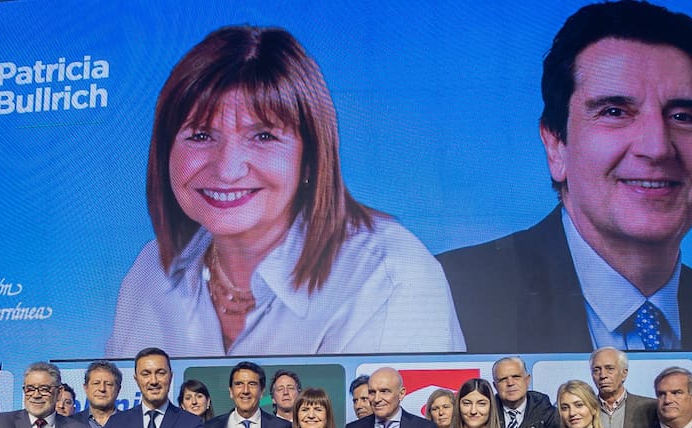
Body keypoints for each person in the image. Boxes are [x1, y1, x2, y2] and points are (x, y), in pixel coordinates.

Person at [438, 0, 692, 353]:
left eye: (683, 116)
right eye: (615, 111)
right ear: (556, 146)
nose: (657, 147)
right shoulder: (450, 294)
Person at [106, 24, 464, 357]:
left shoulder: (387, 275)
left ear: (310, 157)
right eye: (200, 135)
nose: (228, 169)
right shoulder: (152, 271)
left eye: (263, 136)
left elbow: (378, 424)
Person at [590, 347, 656, 428]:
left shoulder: (649, 408)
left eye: (610, 369)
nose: (603, 375)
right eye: (596, 370)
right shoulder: (586, 409)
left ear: (624, 373)